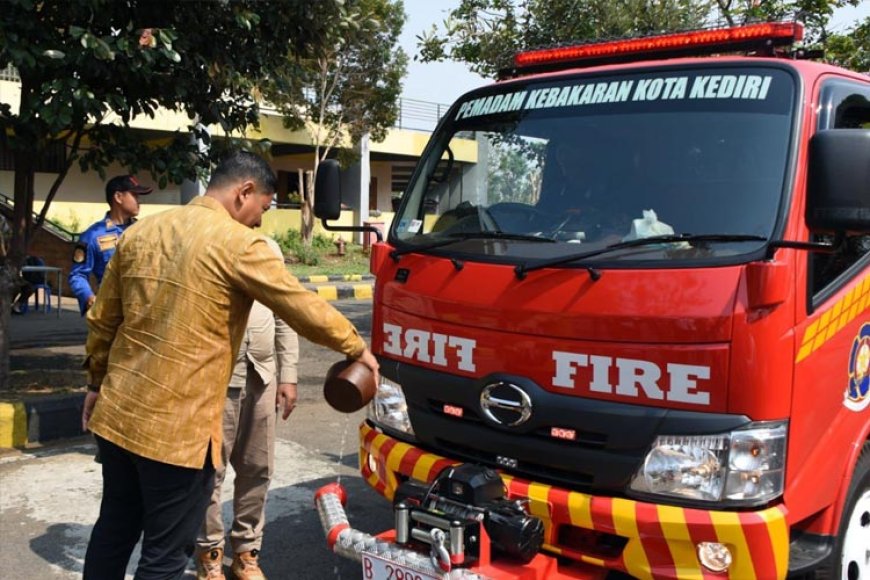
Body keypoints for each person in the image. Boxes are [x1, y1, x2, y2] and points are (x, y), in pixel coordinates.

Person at [80, 150, 378, 580]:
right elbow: (300, 305)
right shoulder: (238, 243)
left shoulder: (144, 233)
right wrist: (356, 347)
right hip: (176, 435)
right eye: (263, 207)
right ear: (244, 192)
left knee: (113, 532)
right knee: (163, 558)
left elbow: (104, 321)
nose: (260, 220)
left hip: (118, 419)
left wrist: (94, 384)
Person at [195, 236, 299, 580]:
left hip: (263, 376)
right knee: (210, 472)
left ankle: (246, 553)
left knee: (258, 467)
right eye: (262, 202)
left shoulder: (269, 247)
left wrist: (289, 375)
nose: (264, 210)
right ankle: (210, 555)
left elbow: (284, 313)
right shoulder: (205, 242)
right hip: (217, 378)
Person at [68, 174, 153, 315]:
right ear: (118, 197)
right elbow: (77, 275)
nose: (139, 201)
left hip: (142, 312)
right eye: (134, 195)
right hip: (111, 313)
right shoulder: (93, 236)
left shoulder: (144, 231)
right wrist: (89, 298)